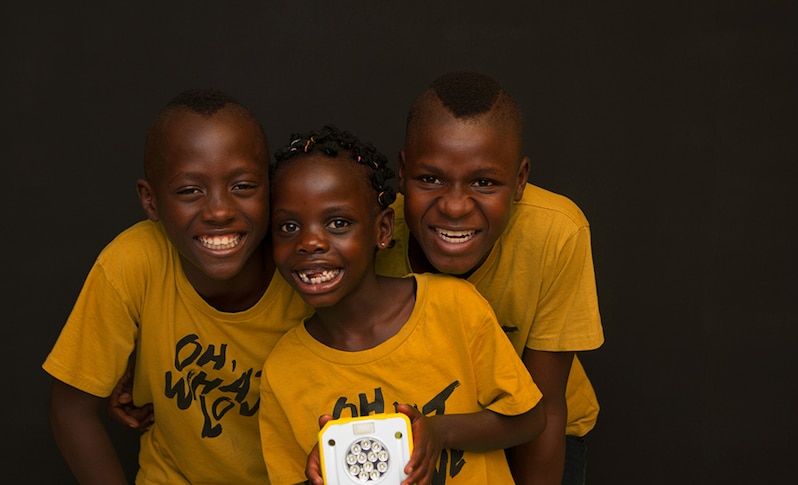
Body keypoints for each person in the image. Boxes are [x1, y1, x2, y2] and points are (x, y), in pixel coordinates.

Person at [42, 88, 311, 485]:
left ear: (271, 190)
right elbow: (70, 410)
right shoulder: (132, 263)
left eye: (243, 186)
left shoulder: (310, 259)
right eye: (190, 191)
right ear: (150, 201)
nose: (219, 210)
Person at [258, 126, 546, 485]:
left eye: (338, 223)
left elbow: (531, 419)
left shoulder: (453, 306)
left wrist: (439, 432)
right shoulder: (283, 369)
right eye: (288, 227)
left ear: (382, 231)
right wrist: (323, 470)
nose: (310, 242)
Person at [374, 70, 604, 485]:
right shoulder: (374, 236)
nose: (456, 207)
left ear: (519, 180)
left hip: (538, 426)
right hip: (422, 427)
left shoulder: (555, 233)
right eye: (430, 179)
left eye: (484, 182)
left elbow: (546, 409)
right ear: (403, 171)